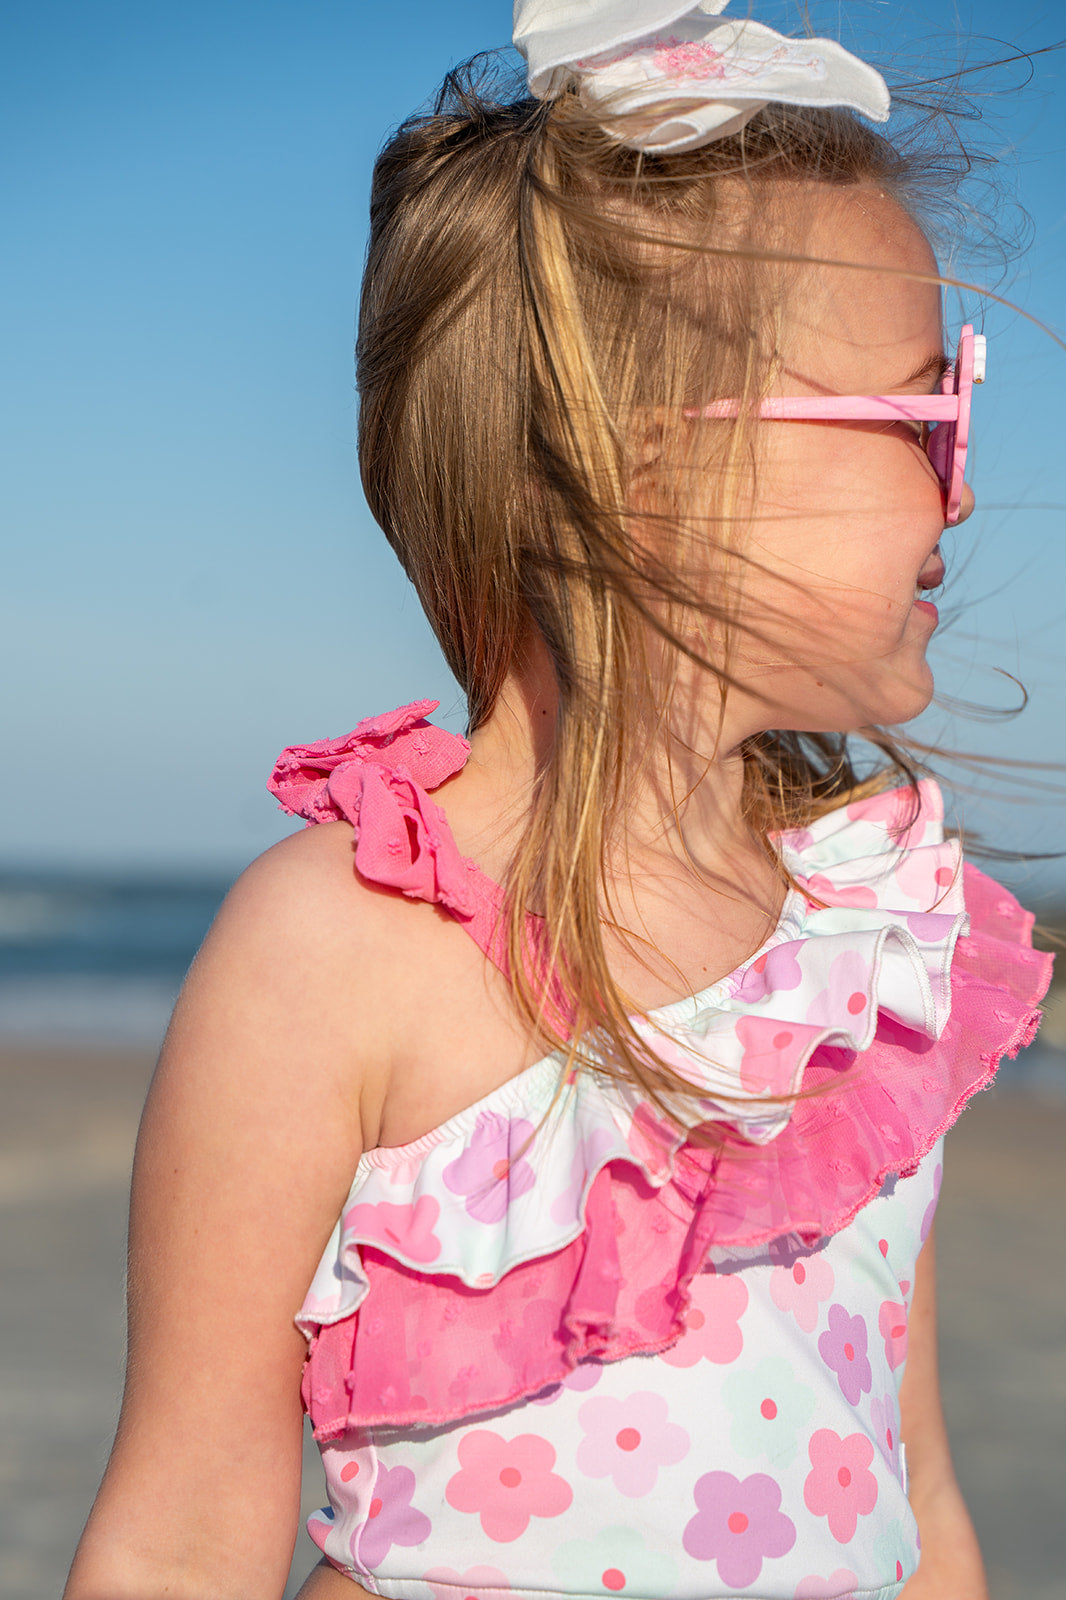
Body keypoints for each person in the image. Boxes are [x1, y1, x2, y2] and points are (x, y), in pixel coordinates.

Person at [64, 4, 1053, 1598]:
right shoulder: (339, 952)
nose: (963, 484)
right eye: (921, 414)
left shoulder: (858, 952)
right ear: (640, 473)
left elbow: (908, 1486)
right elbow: (183, 1538)